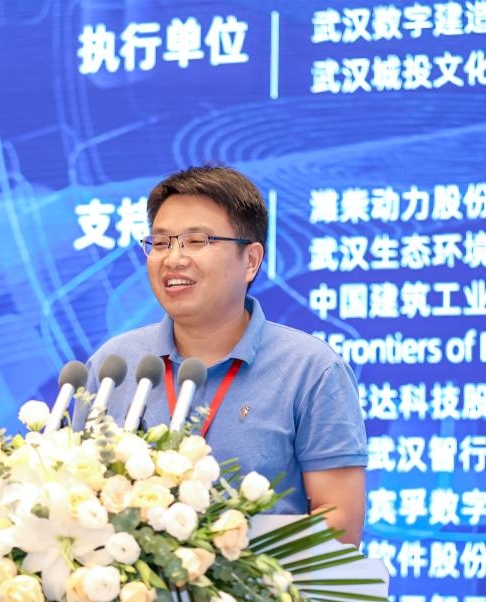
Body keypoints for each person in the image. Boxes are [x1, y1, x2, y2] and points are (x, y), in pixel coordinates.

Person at [83, 165, 367, 545]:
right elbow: (74, 496)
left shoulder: (311, 370)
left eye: (196, 241)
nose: (173, 258)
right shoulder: (114, 365)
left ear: (250, 260)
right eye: (161, 242)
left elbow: (339, 524)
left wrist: (226, 565)